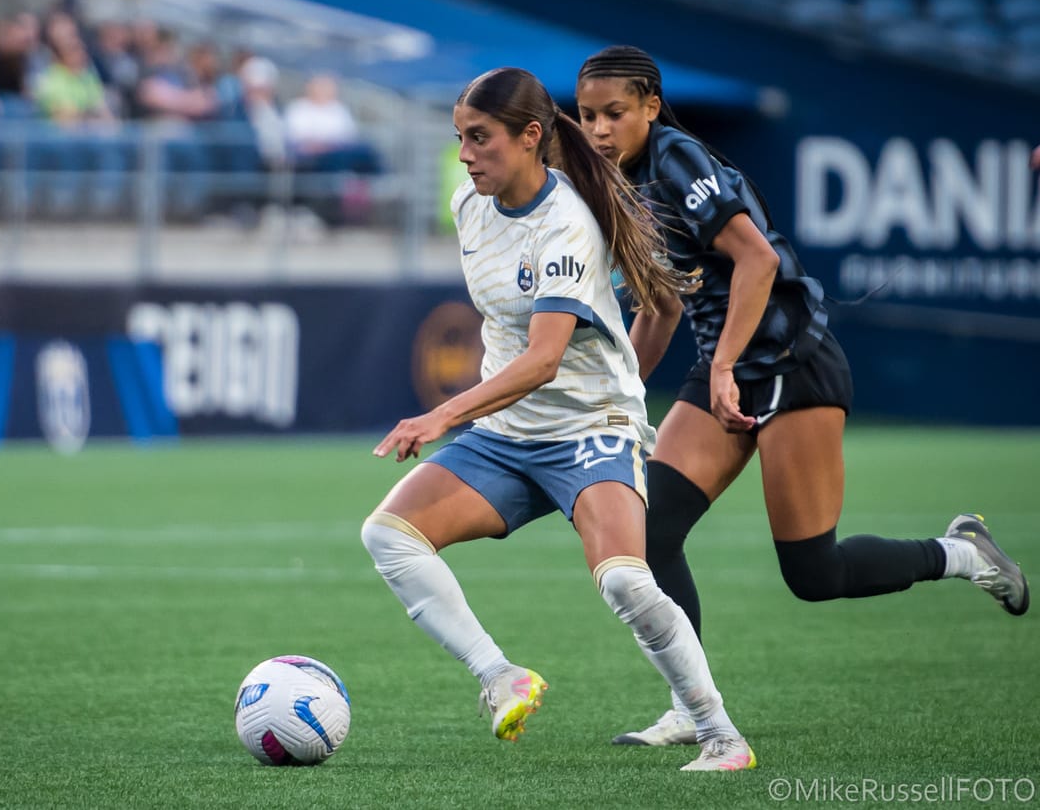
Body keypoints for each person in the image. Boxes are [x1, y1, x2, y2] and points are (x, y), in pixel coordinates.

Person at [572, 45, 1031, 748]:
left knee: (815, 573)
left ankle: (965, 553)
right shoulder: (623, 186)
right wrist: (622, 395)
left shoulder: (675, 161)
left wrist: (724, 365)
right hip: (724, 369)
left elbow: (756, 258)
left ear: (651, 108)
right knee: (651, 531)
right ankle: (693, 706)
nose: (600, 129)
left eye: (615, 113)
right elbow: (661, 307)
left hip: (792, 363)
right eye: (588, 115)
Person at [361, 66, 756, 772]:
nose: (464, 154)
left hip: (589, 429)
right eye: (459, 137)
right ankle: (500, 676)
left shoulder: (567, 223)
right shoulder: (469, 206)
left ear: (530, 137)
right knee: (388, 535)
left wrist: (441, 415)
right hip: (509, 437)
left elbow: (545, 360)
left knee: (627, 583)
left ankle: (720, 733)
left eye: (480, 138)